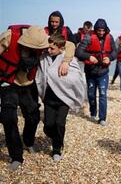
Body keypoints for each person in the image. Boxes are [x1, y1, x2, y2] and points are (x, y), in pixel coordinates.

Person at [0, 25, 75, 170]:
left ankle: (28, 141)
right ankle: (16, 157)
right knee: (9, 118)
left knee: (33, 116)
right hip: (7, 83)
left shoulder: (43, 38)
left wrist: (66, 61)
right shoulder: (9, 36)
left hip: (28, 84)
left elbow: (69, 44)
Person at [35, 34, 85, 162]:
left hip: (64, 98)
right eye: (48, 48)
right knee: (48, 126)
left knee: (60, 123)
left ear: (61, 48)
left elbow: (76, 78)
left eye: (52, 49)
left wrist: (75, 95)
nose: (49, 50)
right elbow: (40, 76)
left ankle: (57, 149)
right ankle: (57, 138)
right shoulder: (44, 58)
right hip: (49, 98)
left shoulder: (69, 60)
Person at [75, 19, 117, 126]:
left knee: (103, 94)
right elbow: (78, 52)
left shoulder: (110, 37)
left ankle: (102, 118)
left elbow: (115, 52)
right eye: (99, 30)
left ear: (106, 30)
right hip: (90, 71)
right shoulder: (89, 37)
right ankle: (93, 112)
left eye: (103, 30)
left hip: (103, 72)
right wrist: (89, 56)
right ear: (95, 29)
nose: (101, 33)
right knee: (91, 94)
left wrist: (110, 58)